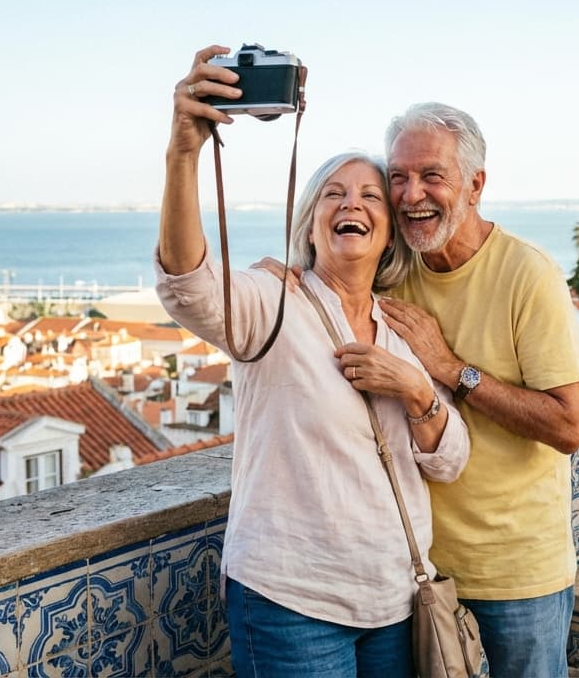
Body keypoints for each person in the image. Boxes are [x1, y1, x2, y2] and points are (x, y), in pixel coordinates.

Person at [155, 46, 469, 677]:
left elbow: (451, 458)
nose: (352, 203)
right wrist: (184, 151)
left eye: (370, 196)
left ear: (388, 232)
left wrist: (415, 389)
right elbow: (188, 285)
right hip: (291, 602)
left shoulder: (401, 327)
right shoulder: (273, 301)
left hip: (393, 601)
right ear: (311, 221)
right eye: (333, 193)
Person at [375, 103, 579, 678]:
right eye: (397, 177)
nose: (410, 194)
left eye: (431, 176)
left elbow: (569, 427)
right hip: (417, 567)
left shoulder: (528, 274)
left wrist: (450, 367)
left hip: (517, 572)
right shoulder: (392, 270)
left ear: (475, 185)